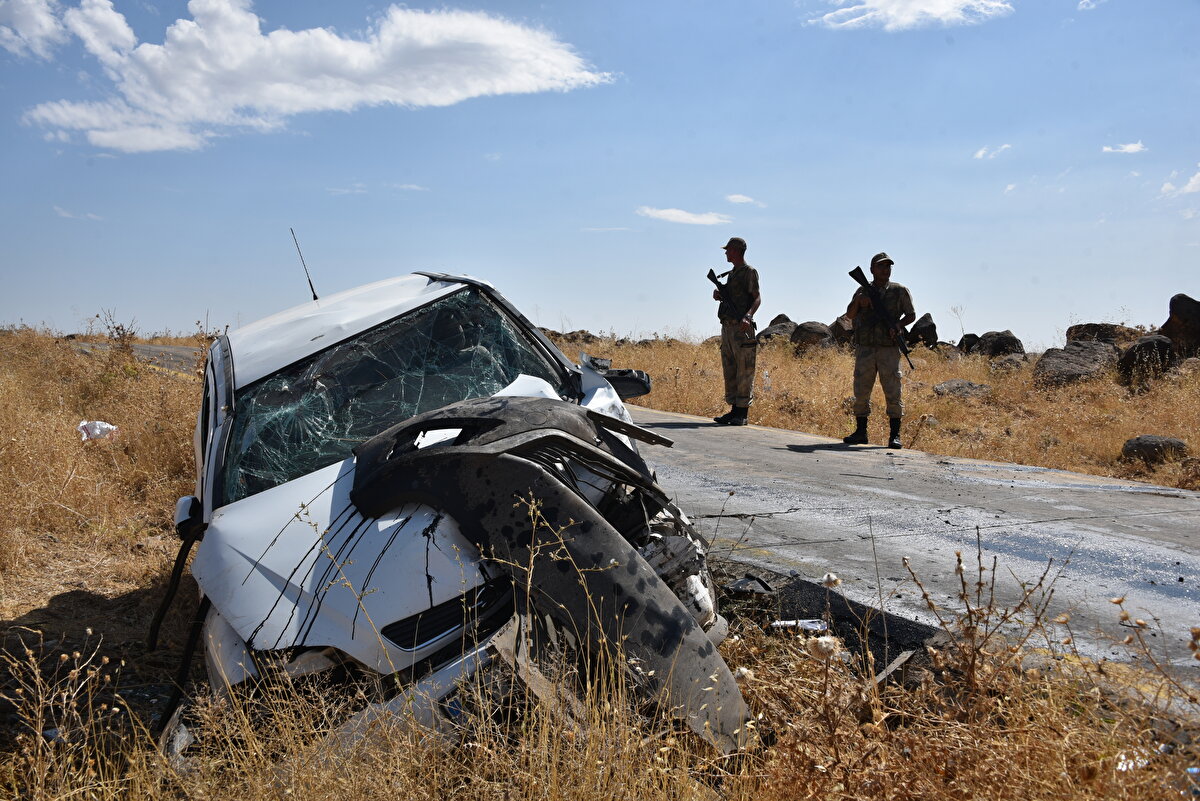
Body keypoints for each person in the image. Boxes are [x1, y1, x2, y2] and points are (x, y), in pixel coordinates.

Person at [842, 252, 916, 449]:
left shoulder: (899, 291)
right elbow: (849, 315)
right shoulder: (862, 290)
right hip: (865, 348)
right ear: (872, 270)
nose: (886, 270)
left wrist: (898, 325)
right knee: (861, 390)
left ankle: (894, 435)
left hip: (888, 349)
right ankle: (860, 433)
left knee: (893, 390)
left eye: (888, 266)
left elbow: (911, 315)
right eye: (881, 266)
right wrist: (859, 302)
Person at [712, 237, 761, 426]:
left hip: (743, 328)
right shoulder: (731, 274)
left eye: (729, 250)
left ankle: (742, 413)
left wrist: (748, 316)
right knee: (730, 368)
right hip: (728, 327)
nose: (726, 253)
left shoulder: (749, 272)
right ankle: (733, 411)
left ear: (737, 251)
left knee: (745, 370)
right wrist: (719, 296)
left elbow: (757, 298)